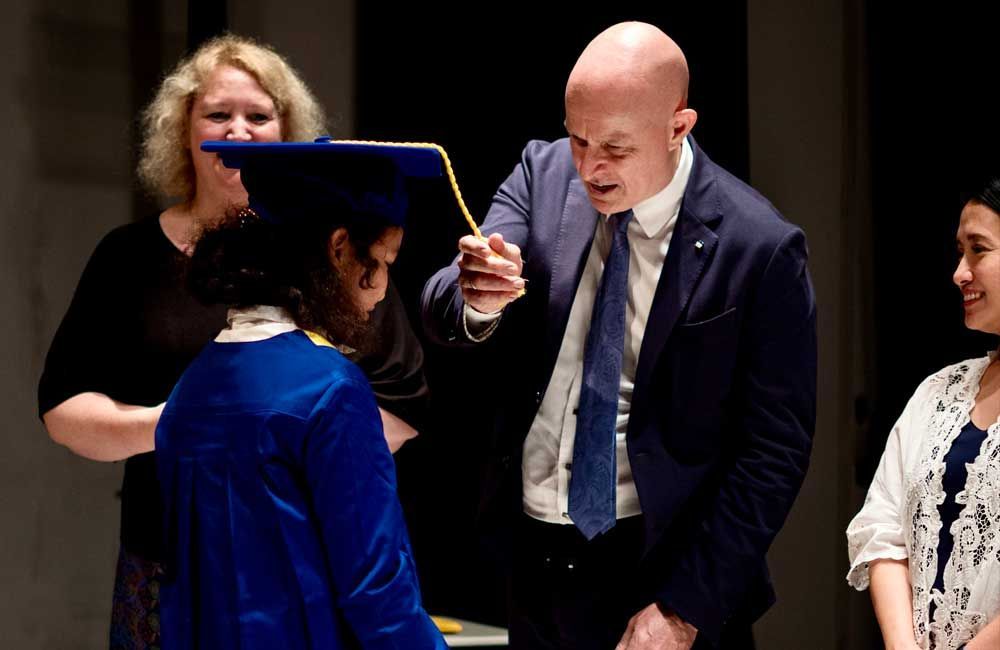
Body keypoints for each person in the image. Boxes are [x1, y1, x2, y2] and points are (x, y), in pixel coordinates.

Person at [421, 21, 816, 650]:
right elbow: (444, 300)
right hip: (534, 556)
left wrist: (686, 607)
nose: (590, 167)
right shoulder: (544, 173)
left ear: (678, 128)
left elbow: (773, 453)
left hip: (660, 568)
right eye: (578, 138)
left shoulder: (758, 247)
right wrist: (476, 295)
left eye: (615, 148)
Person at [38, 35, 426, 648]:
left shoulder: (214, 370)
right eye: (219, 114)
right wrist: (195, 429)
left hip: (270, 553)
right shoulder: (319, 380)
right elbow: (376, 589)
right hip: (199, 563)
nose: (238, 132)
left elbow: (403, 403)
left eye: (259, 115)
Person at [154, 141, 446, 649]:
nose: (381, 291)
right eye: (383, 260)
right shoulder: (329, 389)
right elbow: (375, 587)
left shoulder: (192, 386)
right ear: (339, 248)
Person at [846, 178, 1000, 650]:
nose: (959, 272)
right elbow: (882, 528)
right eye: (959, 251)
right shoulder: (942, 390)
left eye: (978, 250)